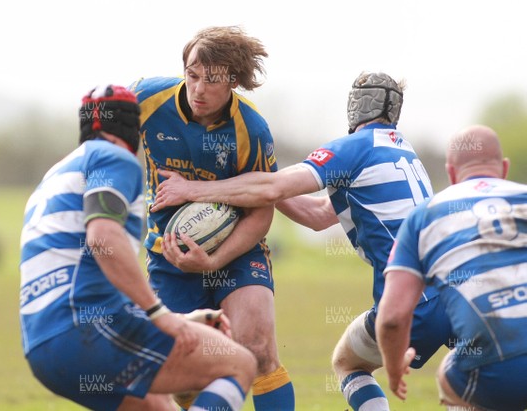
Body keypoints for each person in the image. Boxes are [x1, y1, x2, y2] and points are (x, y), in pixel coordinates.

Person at [153, 71, 454, 410]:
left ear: (355, 105)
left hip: (410, 300)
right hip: (454, 295)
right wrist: (246, 177)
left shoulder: (354, 148)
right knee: (473, 386)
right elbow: (318, 214)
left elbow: (273, 187)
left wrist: (194, 189)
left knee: (348, 364)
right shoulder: (405, 153)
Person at [19, 85, 257, 411]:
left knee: (156, 405)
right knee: (239, 364)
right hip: (85, 329)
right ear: (133, 128)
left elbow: (89, 275)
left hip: (41, 345)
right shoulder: (112, 157)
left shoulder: (55, 176)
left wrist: (182, 320)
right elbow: (103, 239)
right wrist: (159, 314)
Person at [128, 25, 295, 411]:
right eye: (192, 75)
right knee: (182, 366)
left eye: (212, 80)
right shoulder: (146, 99)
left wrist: (216, 260)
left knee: (257, 349)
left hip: (238, 248)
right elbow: (102, 137)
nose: (199, 89)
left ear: (233, 81)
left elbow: (260, 213)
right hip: (169, 253)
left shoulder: (252, 130)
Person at [377, 125, 527, 410]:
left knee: (451, 370)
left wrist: (394, 368)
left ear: (451, 173)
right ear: (504, 168)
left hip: (499, 365)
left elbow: (393, 317)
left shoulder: (425, 216)